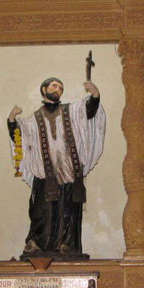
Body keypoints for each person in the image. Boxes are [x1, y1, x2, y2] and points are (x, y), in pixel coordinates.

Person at [8, 77, 106, 259]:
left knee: (68, 211)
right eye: (54, 86)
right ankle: (36, 243)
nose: (58, 89)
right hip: (44, 175)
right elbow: (19, 137)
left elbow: (89, 111)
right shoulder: (33, 120)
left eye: (61, 87)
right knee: (41, 210)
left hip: (68, 171)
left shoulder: (72, 111)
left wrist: (95, 95)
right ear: (44, 89)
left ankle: (67, 244)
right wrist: (12, 118)